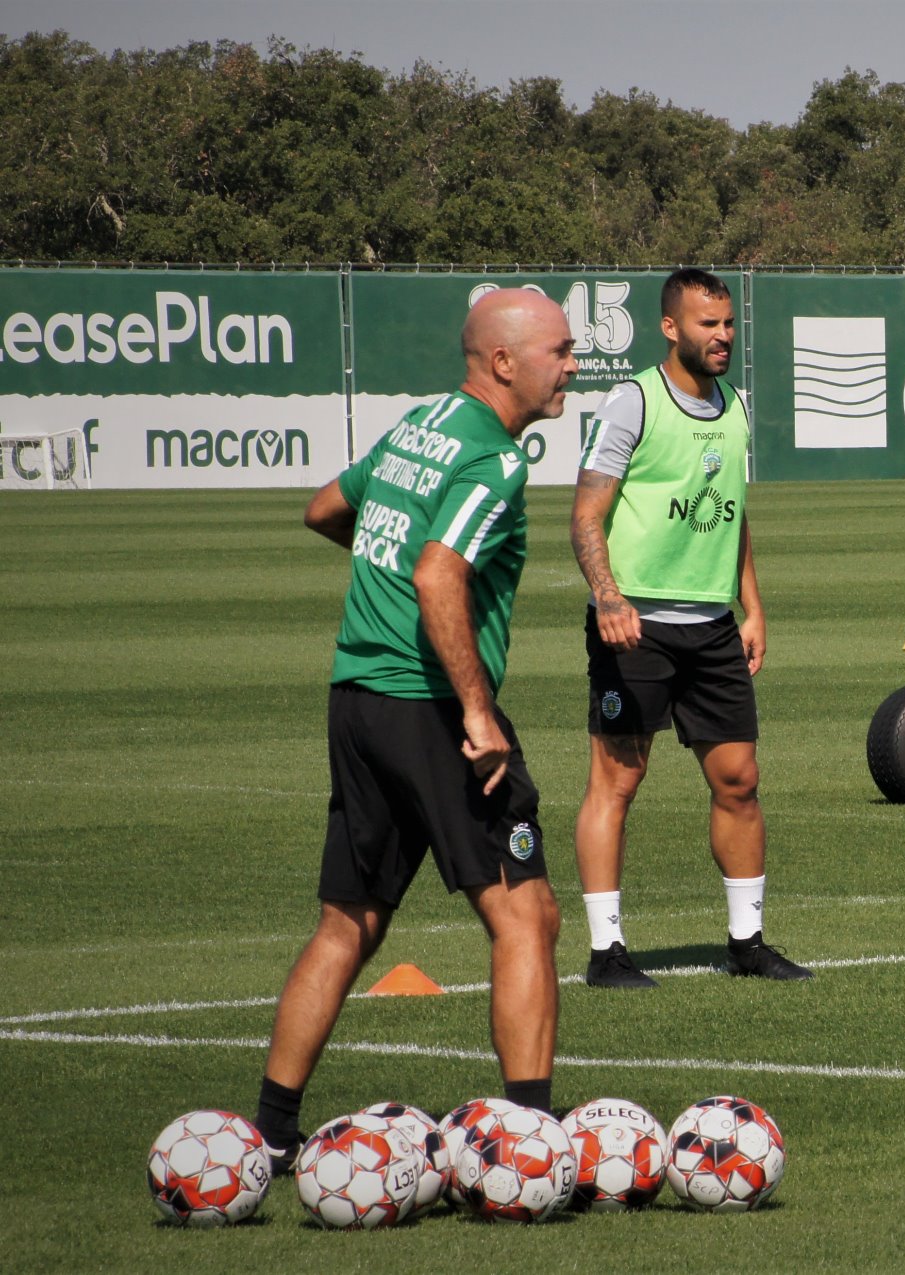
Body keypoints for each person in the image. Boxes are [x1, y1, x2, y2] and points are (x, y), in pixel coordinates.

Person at [253, 287, 576, 1171]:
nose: (573, 365)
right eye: (560, 349)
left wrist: (386, 576)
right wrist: (477, 712)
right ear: (503, 361)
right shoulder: (492, 459)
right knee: (527, 916)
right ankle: (527, 1141)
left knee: (347, 921)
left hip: (355, 695)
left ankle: (271, 1131)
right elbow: (440, 577)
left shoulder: (417, 425)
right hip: (432, 707)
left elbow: (325, 508)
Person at [568, 267, 810, 988]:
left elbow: (732, 514)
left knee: (739, 779)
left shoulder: (735, 406)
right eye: (709, 324)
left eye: (729, 324)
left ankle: (747, 942)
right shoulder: (632, 401)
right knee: (618, 777)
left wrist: (752, 604)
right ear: (671, 327)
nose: (723, 336)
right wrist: (609, 598)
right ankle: (607, 951)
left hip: (711, 627)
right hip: (634, 624)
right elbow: (586, 513)